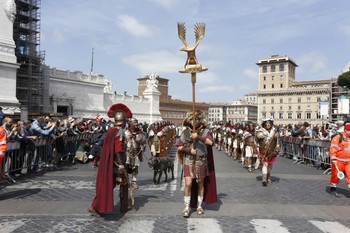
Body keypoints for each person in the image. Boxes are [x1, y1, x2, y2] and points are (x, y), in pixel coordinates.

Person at [88, 103, 132, 216]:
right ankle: (123, 205)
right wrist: (121, 164)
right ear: (124, 121)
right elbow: (118, 149)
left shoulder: (111, 131)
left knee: (108, 184)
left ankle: (96, 205)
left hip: (109, 162)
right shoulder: (120, 132)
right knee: (124, 182)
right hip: (116, 163)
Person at [177, 110, 217, 218]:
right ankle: (186, 207)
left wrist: (198, 137)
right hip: (188, 161)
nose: (194, 122)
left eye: (196, 120)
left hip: (201, 160)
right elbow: (179, 147)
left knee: (200, 184)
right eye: (192, 120)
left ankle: (199, 206)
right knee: (188, 184)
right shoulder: (185, 132)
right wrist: (189, 150)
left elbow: (210, 142)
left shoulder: (206, 131)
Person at [255, 117, 280, 186]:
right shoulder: (260, 132)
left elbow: (277, 142)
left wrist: (277, 149)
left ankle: (268, 176)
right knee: (265, 164)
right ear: (264, 124)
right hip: (263, 151)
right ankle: (264, 178)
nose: (268, 125)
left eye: (269, 123)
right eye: (266, 123)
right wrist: (256, 151)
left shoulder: (275, 132)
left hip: (272, 151)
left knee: (270, 165)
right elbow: (256, 142)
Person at [328, 122, 350, 197]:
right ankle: (333, 187)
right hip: (338, 160)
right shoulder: (338, 137)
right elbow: (333, 147)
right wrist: (333, 157)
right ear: (346, 130)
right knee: (335, 175)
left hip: (348, 161)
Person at [125, 117, 146, 189]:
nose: (136, 124)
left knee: (135, 167)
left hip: (136, 152)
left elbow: (143, 142)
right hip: (127, 152)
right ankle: (126, 181)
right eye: (135, 122)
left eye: (137, 122)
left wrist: (142, 146)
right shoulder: (126, 132)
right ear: (130, 123)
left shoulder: (140, 132)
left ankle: (134, 182)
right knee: (126, 167)